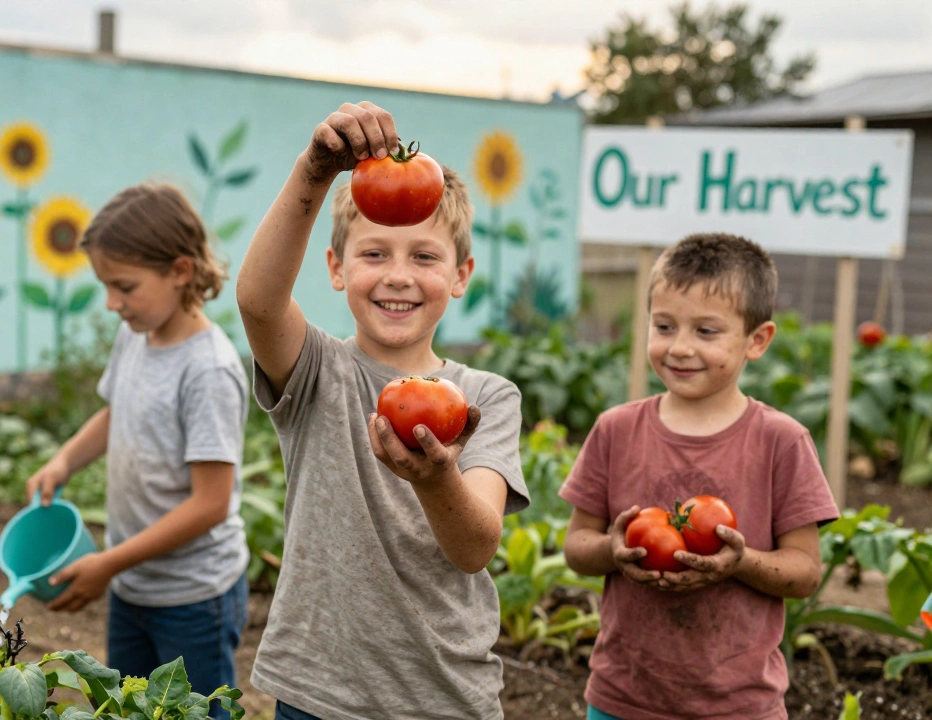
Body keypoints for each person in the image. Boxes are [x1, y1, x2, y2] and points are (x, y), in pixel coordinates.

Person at [235, 101, 530, 720]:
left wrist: (436, 476)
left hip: (443, 697)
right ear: (337, 269)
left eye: (424, 257)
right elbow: (259, 302)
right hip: (317, 693)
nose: (398, 276)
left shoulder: (487, 397)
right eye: (374, 255)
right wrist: (314, 172)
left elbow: (475, 547)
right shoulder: (317, 370)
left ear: (460, 274)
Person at [560, 232, 840, 720]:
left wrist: (740, 561)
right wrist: (613, 550)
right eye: (664, 326)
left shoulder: (782, 441)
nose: (680, 348)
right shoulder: (616, 429)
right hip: (621, 699)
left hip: (739, 705)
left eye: (706, 332)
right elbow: (576, 546)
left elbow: (805, 573)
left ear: (757, 340)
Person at [27, 183, 249, 718]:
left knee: (192, 712)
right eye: (105, 286)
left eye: (123, 286)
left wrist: (108, 563)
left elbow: (211, 503)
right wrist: (64, 459)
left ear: (179, 270)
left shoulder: (209, 370)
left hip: (194, 598)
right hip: (133, 585)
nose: (111, 303)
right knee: (128, 708)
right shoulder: (136, 334)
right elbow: (115, 410)